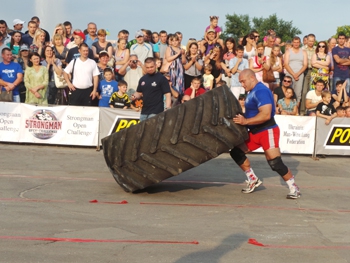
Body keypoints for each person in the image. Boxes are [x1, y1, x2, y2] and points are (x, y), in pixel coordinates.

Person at [230, 69, 300, 199]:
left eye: (243, 81)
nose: (242, 85)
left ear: (251, 77)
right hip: (255, 132)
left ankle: (294, 187)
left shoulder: (260, 91)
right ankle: (253, 179)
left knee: (275, 163)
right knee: (236, 152)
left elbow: (266, 114)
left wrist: (245, 121)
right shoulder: (252, 92)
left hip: (267, 131)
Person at [284, 36, 308, 112]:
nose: (296, 44)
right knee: (288, 92)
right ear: (292, 43)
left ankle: (296, 110)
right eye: (294, 42)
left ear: (300, 43)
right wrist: (293, 74)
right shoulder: (288, 51)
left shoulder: (303, 52)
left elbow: (305, 65)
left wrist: (298, 74)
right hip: (289, 74)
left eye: (297, 42)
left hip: (300, 74)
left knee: (298, 93)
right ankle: (287, 109)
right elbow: (286, 64)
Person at [165, 34, 185, 99]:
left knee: (180, 85)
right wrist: (178, 54)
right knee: (172, 84)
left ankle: (179, 99)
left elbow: (184, 61)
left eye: (176, 40)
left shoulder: (180, 49)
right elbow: (168, 59)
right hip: (172, 69)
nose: (174, 42)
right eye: (173, 41)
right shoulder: (169, 48)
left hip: (180, 69)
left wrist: (183, 54)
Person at [301, 34, 316, 111]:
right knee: (304, 91)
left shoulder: (316, 49)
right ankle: (302, 110)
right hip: (305, 70)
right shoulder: (302, 49)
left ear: (314, 41)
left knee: (312, 91)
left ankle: (311, 110)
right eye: (309, 41)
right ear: (307, 40)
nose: (310, 42)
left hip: (314, 71)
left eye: (312, 41)